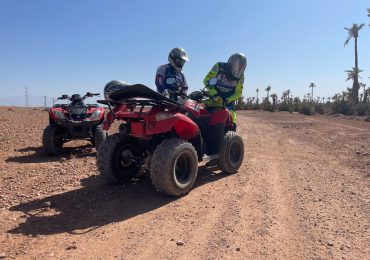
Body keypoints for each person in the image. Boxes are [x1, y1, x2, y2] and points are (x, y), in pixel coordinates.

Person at [203, 53, 247, 125]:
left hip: (228, 104)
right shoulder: (219, 66)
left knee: (233, 124)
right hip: (213, 100)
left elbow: (238, 93)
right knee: (201, 118)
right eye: (238, 65)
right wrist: (215, 93)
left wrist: (227, 100)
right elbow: (206, 80)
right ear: (232, 63)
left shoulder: (241, 76)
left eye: (241, 67)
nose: (239, 68)